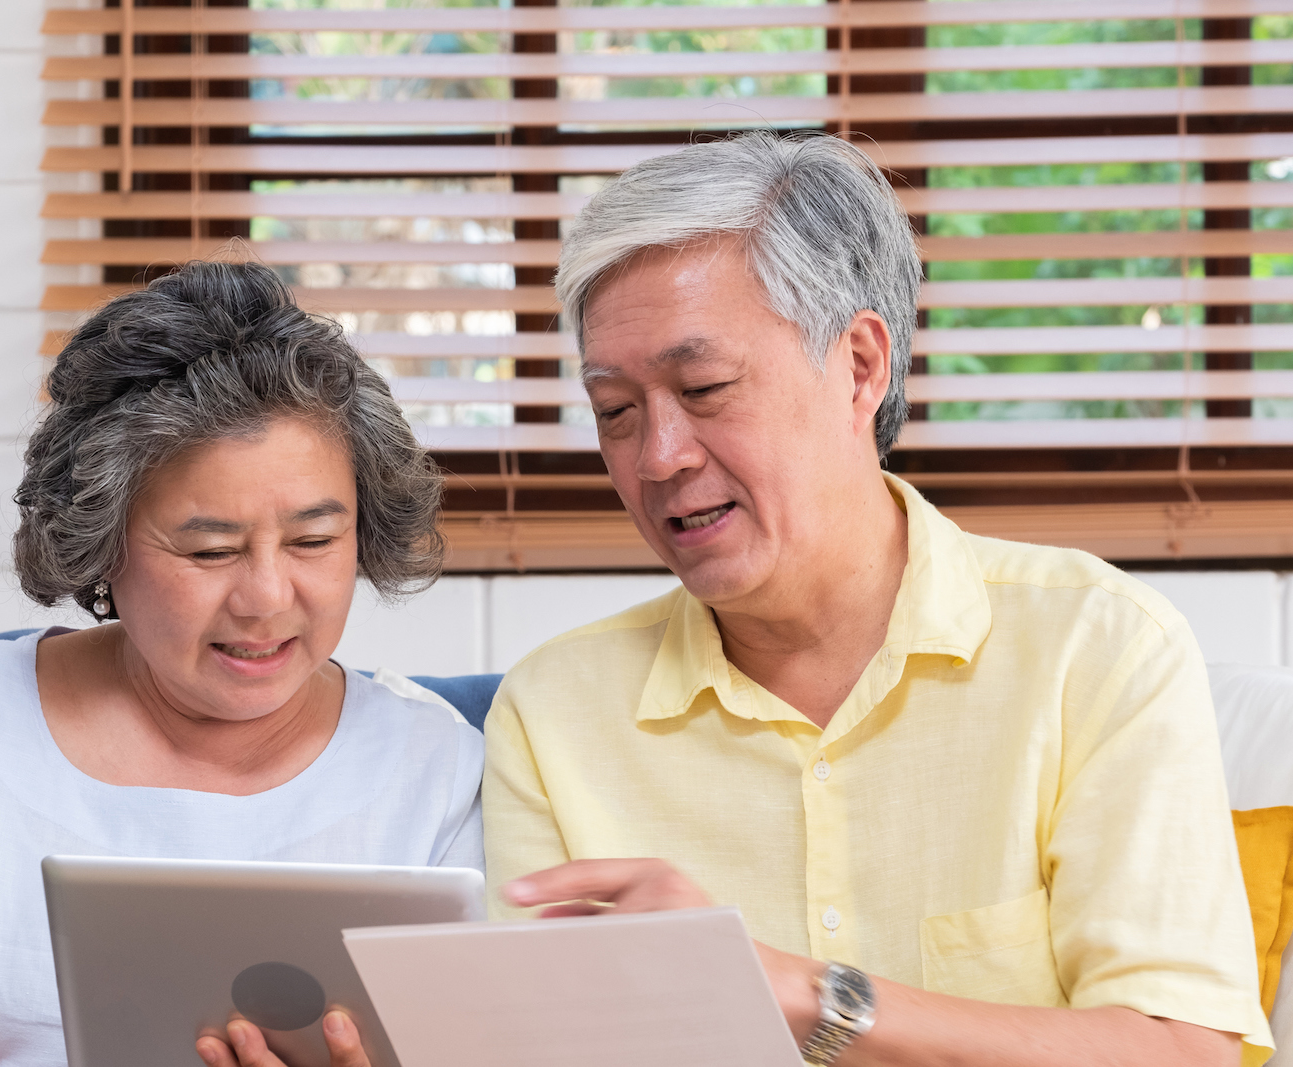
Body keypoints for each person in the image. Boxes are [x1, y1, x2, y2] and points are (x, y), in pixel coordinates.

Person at [481, 131, 1274, 1066]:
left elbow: (1184, 1051)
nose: (659, 457)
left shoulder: (1096, 648)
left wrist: (799, 992)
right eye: (616, 412)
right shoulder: (554, 712)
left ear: (860, 366)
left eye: (704, 388)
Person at [0, 261, 479, 1067]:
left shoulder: (436, 766)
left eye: (314, 540)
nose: (267, 597)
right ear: (104, 547)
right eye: (211, 549)